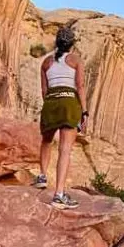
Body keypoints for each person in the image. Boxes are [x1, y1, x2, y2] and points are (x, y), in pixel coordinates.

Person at [33, 25, 88, 207]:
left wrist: (51, 103)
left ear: (57, 43)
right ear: (72, 44)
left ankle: (41, 176)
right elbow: (80, 86)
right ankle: (59, 194)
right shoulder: (76, 60)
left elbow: (44, 90)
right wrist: (84, 111)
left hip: (51, 102)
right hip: (69, 102)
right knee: (65, 150)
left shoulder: (46, 62)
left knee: (46, 141)